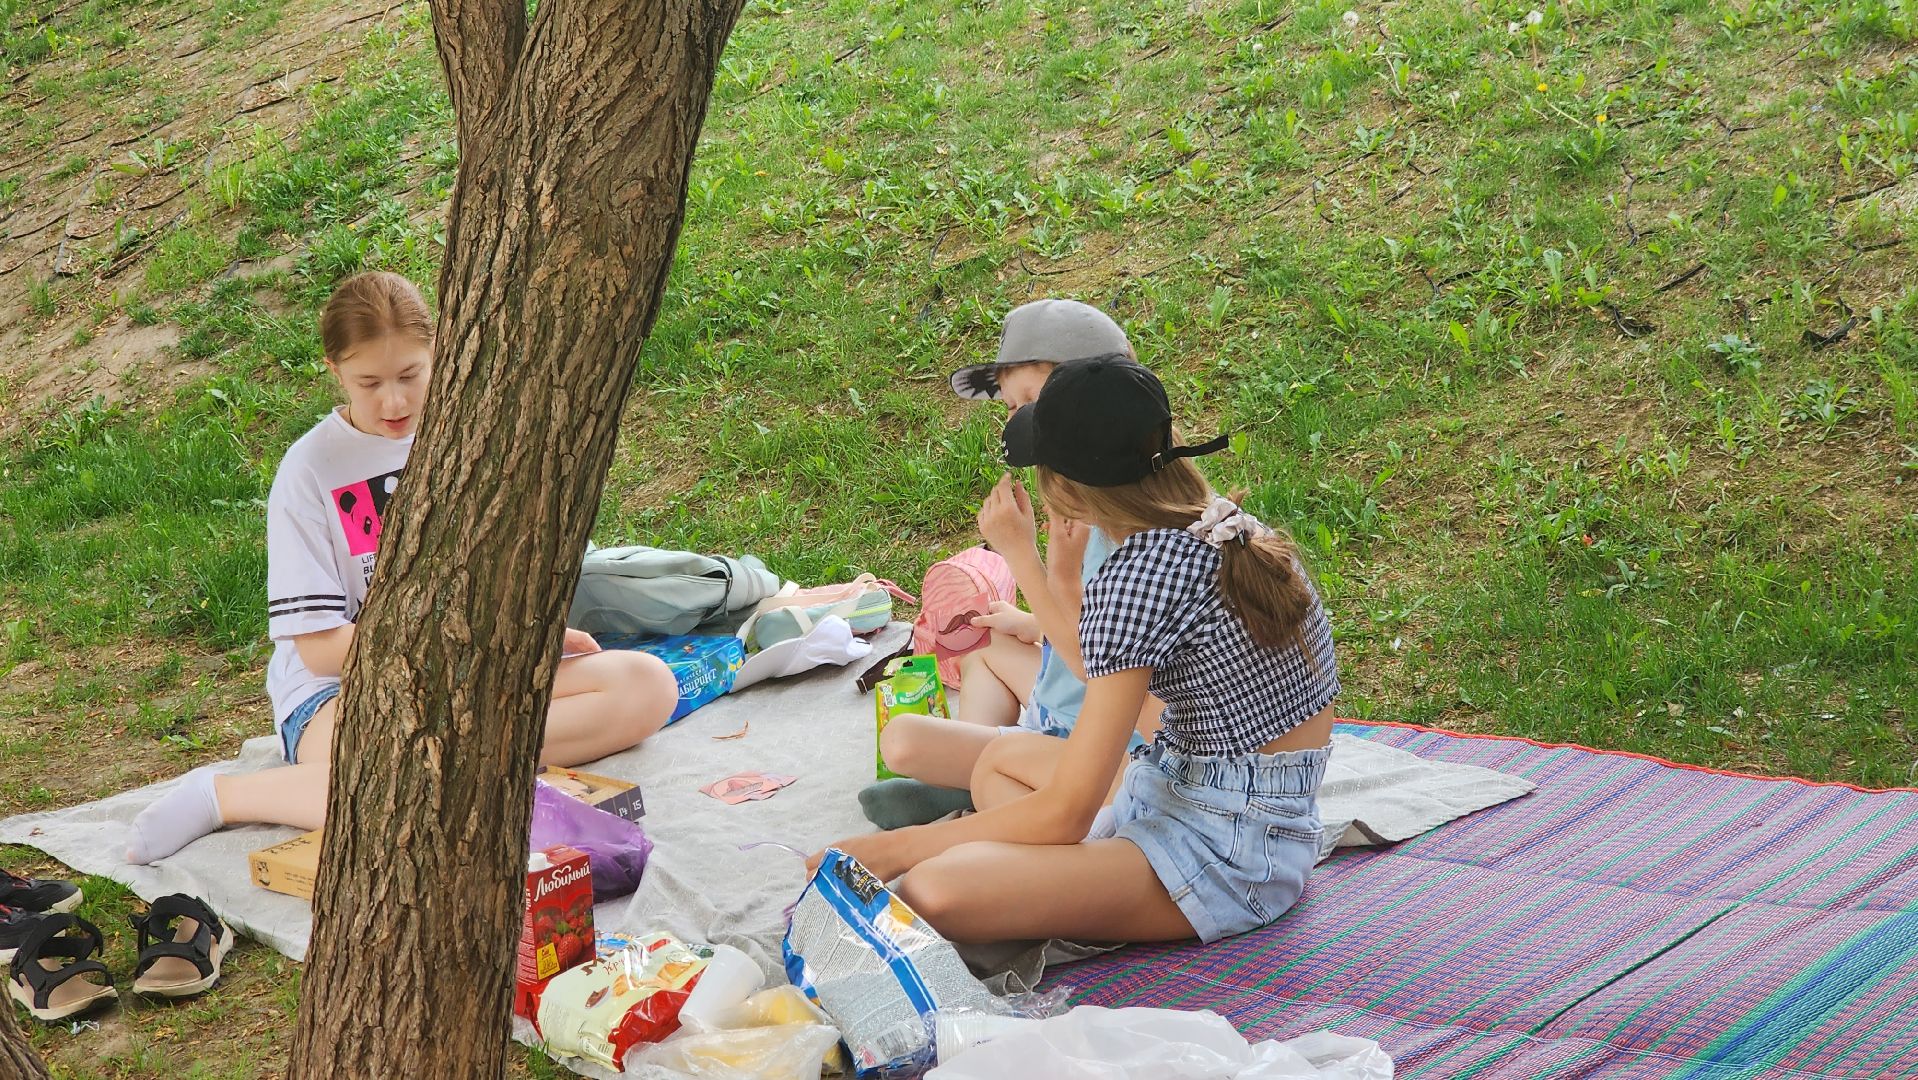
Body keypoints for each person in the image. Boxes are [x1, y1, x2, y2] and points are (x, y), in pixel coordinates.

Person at [126, 271, 677, 864]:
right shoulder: (308, 470)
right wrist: (444, 647)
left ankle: (467, 769)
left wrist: (528, 639)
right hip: (340, 695)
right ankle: (225, 797)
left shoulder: (468, 436)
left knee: (645, 686)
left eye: (411, 376)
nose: (394, 401)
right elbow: (317, 649)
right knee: (392, 776)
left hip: (471, 671)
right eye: (369, 383)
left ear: (437, 353)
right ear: (334, 371)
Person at [822, 355, 1340, 945]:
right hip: (1205, 795)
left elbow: (1068, 810)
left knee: (931, 889)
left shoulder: (1138, 578)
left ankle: (1031, 871)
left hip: (1228, 856)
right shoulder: (1237, 529)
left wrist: (887, 851)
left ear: (1064, 489)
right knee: (996, 764)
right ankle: (1038, 870)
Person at [860, 299, 1163, 830]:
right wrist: (1031, 620)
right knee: (983, 656)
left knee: (915, 745)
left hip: (1106, 738)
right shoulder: (1081, 495)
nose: (1021, 424)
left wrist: (1024, 558)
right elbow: (1085, 625)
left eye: (1030, 402)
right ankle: (977, 777)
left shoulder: (1130, 526)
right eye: (1010, 408)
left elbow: (1099, 664)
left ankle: (987, 787)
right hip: (1058, 707)